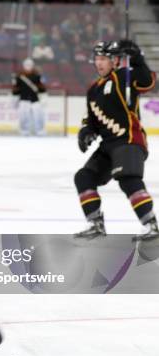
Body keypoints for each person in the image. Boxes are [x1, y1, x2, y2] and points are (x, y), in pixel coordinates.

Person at [74, 40, 158, 241]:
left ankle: (151, 224)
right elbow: (92, 119)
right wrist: (86, 130)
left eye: (104, 59)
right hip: (109, 145)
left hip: (128, 140)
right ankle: (95, 223)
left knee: (128, 178)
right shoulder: (94, 89)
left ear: (114, 61)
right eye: (97, 59)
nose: (99, 63)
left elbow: (148, 81)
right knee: (84, 177)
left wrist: (137, 58)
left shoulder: (124, 77)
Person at [12, 58, 46, 136]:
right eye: (27, 65)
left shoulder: (37, 76)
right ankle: (24, 130)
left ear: (33, 66)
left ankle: (39, 130)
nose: (28, 67)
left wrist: (44, 98)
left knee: (39, 116)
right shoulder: (19, 77)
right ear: (23, 66)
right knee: (23, 117)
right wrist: (14, 99)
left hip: (35, 100)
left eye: (30, 65)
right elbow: (15, 90)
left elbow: (42, 89)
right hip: (23, 99)